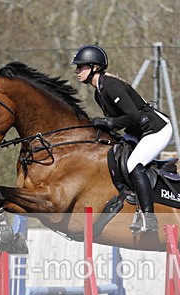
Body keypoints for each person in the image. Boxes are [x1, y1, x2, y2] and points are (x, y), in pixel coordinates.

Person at [72, 44, 173, 234]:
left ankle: (149, 219)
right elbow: (122, 122)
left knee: (134, 163)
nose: (77, 71)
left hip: (157, 129)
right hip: (137, 132)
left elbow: (133, 116)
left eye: (81, 66)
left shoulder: (111, 86)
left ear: (94, 66)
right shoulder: (98, 92)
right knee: (115, 157)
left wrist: (107, 123)